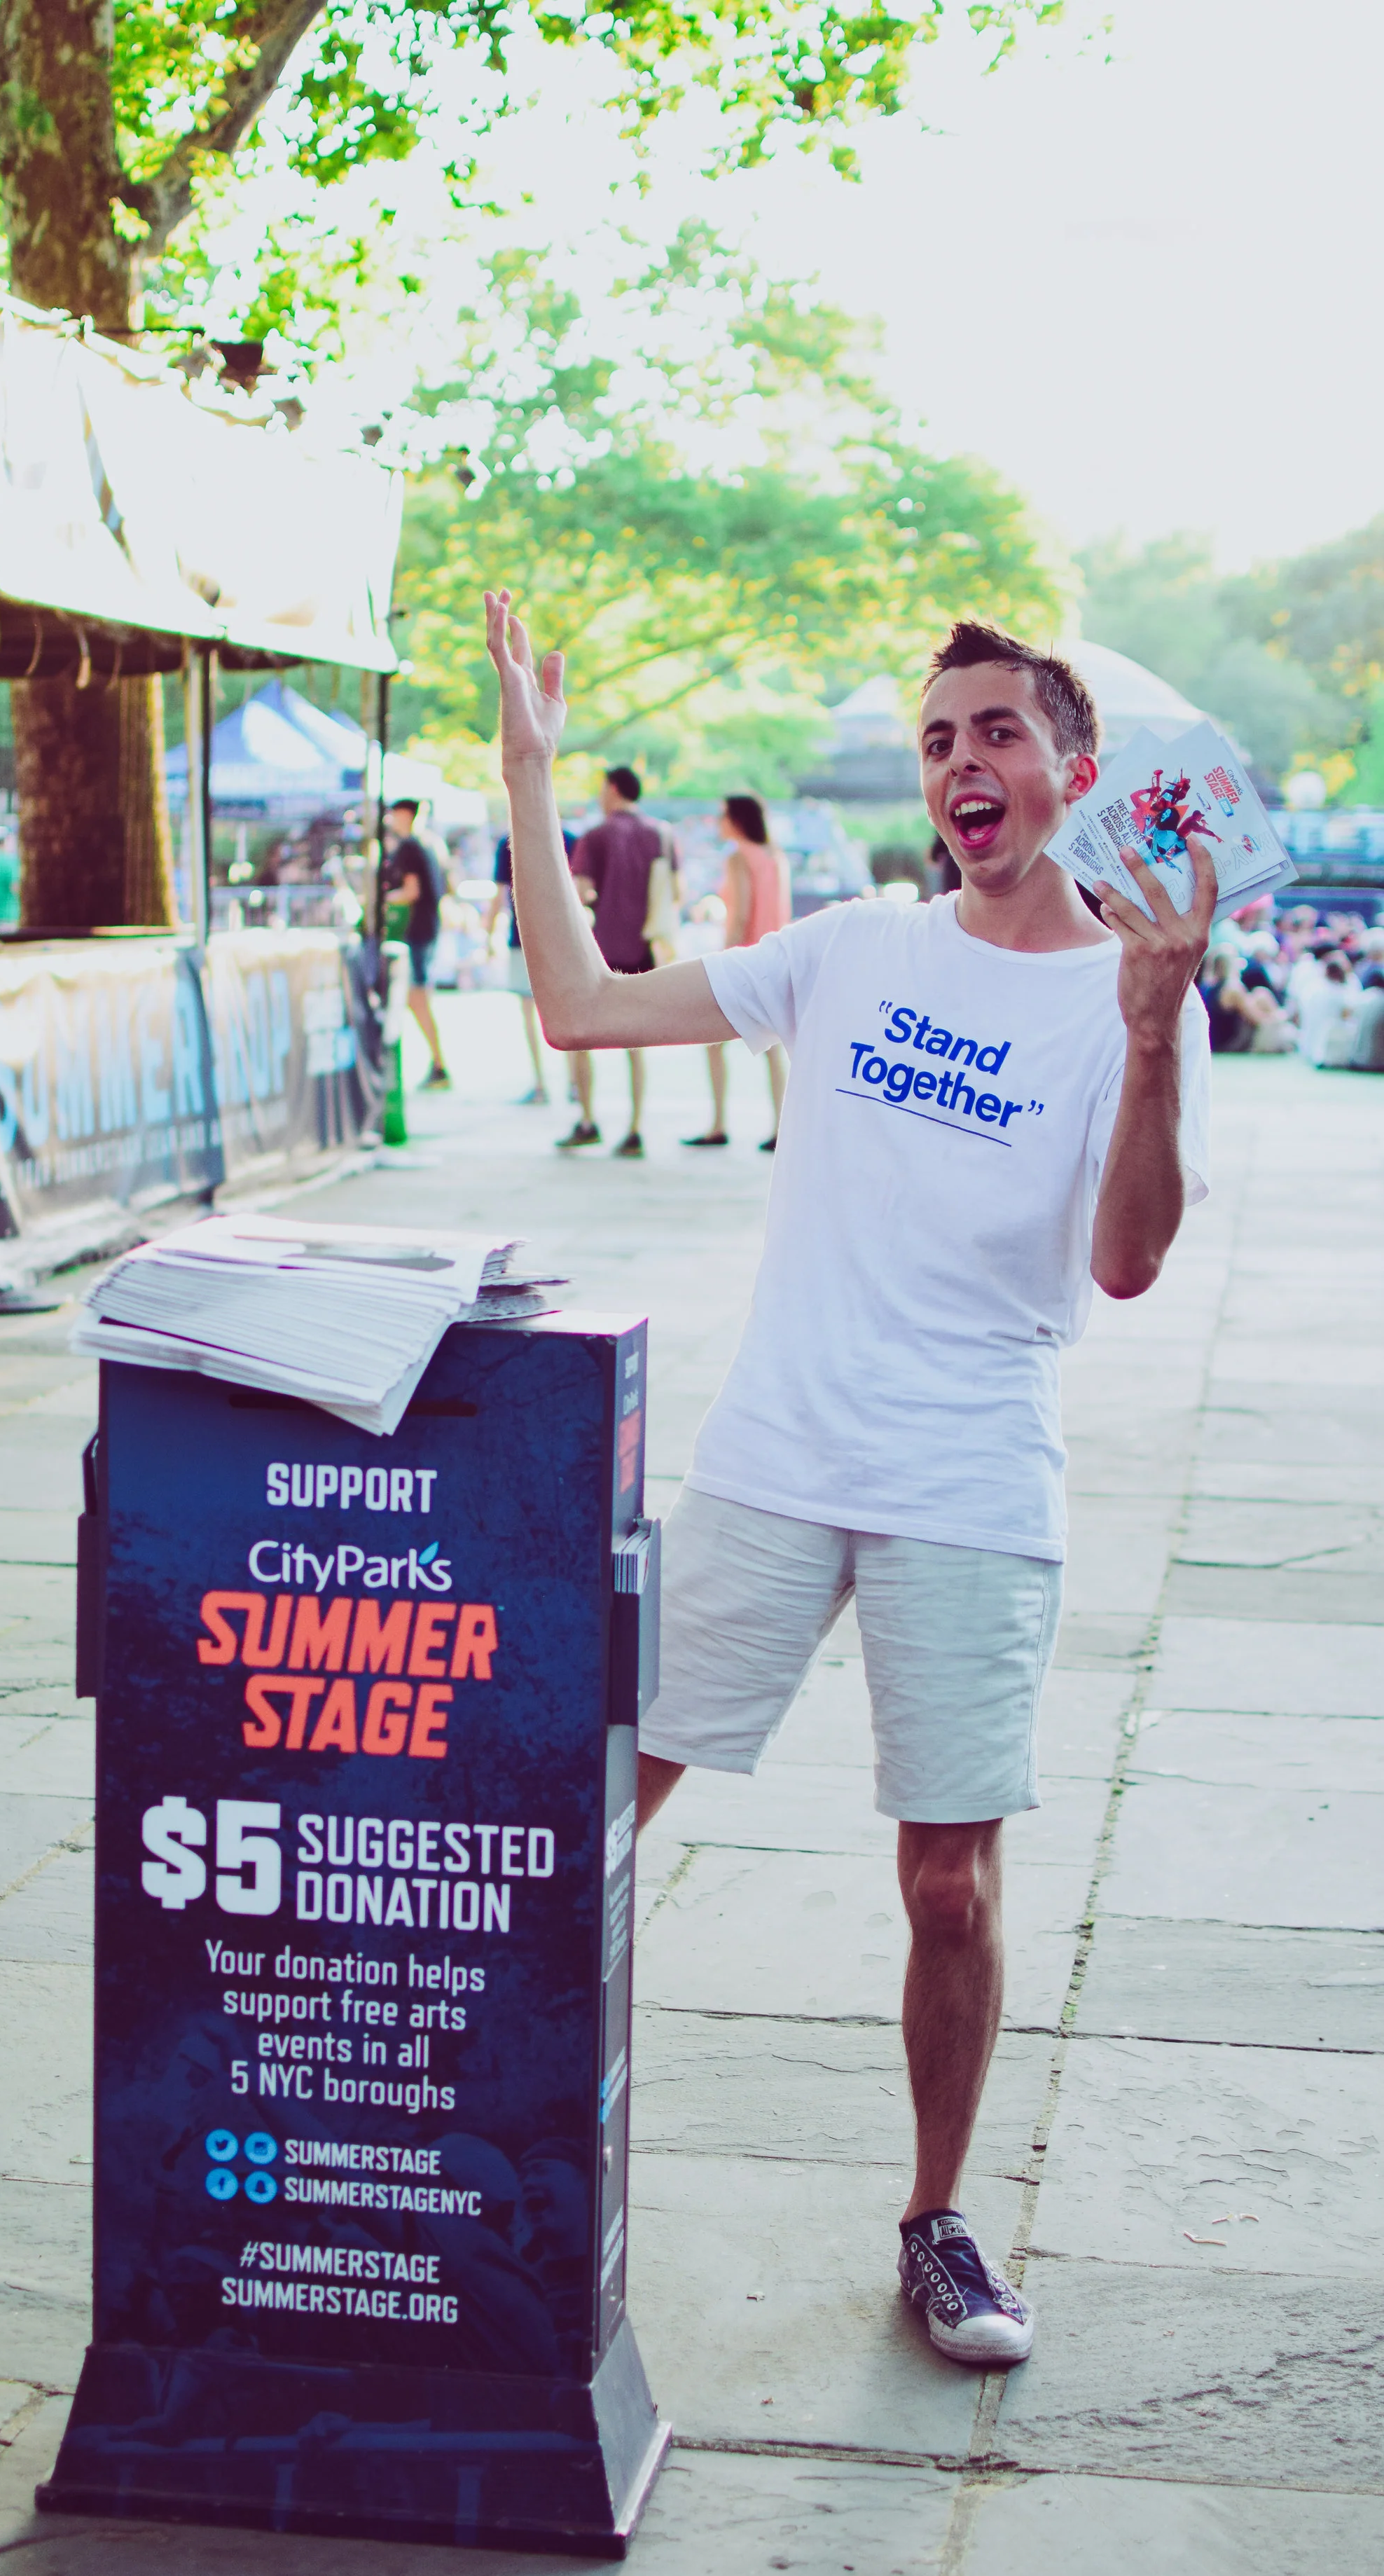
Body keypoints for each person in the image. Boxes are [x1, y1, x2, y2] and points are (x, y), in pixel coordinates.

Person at [486, 594, 1212, 2369]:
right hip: (778, 1453)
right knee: (593, 1807)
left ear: (1073, 770)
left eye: (997, 735)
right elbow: (578, 1009)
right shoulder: (851, 949)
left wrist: (1145, 1028)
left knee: (949, 1881)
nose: (965, 764)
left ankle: (938, 2220)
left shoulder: (1136, 985)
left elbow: (1124, 1263)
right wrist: (524, 762)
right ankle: (483, 2148)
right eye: (940, 739)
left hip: (969, 1468)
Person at [560, 766, 677, 1157]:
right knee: (637, 1043)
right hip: (645, 949)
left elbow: (581, 893)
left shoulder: (595, 836)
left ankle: (588, 1119)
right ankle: (635, 1126)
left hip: (601, 950)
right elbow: (674, 892)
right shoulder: (661, 834)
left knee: (579, 1034)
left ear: (613, 789)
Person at [686, 794, 789, 1151]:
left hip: (746, 961)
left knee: (713, 1044)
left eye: (723, 815)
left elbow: (742, 914)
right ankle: (781, 1126)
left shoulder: (738, 858)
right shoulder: (775, 858)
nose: (719, 821)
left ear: (737, 820)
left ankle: (718, 1124)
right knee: (776, 1048)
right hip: (776, 961)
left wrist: (724, 961)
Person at [490, 829, 574, 1104]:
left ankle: (545, 1083)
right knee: (566, 1010)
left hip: (527, 938)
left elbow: (500, 894)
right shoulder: (569, 838)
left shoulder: (512, 840)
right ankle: (571, 1081)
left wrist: (490, 932)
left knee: (532, 1013)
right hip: (554, 938)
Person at [383, 799, 450, 1089]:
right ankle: (438, 1064)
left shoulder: (410, 846)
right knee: (419, 997)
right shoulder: (427, 844)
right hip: (427, 930)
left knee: (417, 997)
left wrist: (381, 902)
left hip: (418, 933)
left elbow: (412, 891)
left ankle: (439, 1064)